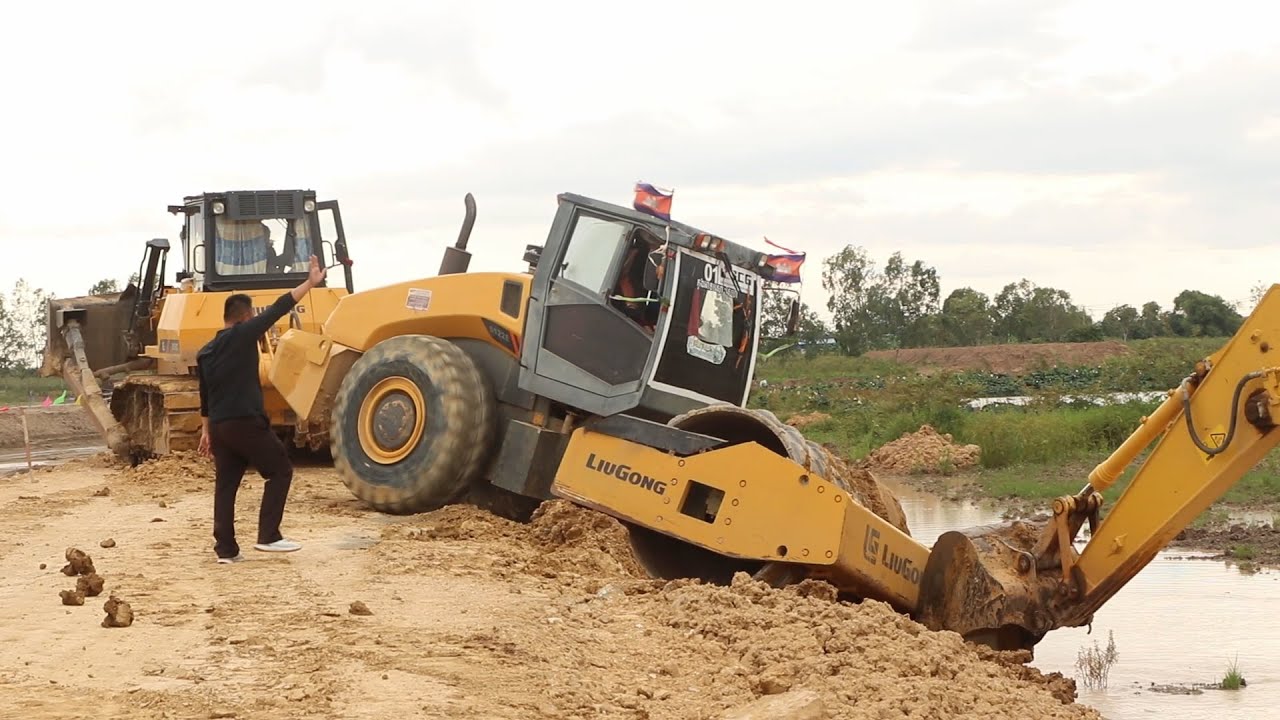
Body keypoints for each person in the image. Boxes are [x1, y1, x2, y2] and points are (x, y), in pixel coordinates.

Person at [197, 254, 327, 564]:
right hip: (245, 422)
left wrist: (205, 432)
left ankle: (226, 551)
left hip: (219, 426)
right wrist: (310, 283)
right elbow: (279, 308)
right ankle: (269, 536)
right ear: (245, 317)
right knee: (280, 470)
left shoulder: (206, 351)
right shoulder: (242, 335)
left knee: (226, 486)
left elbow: (204, 395)